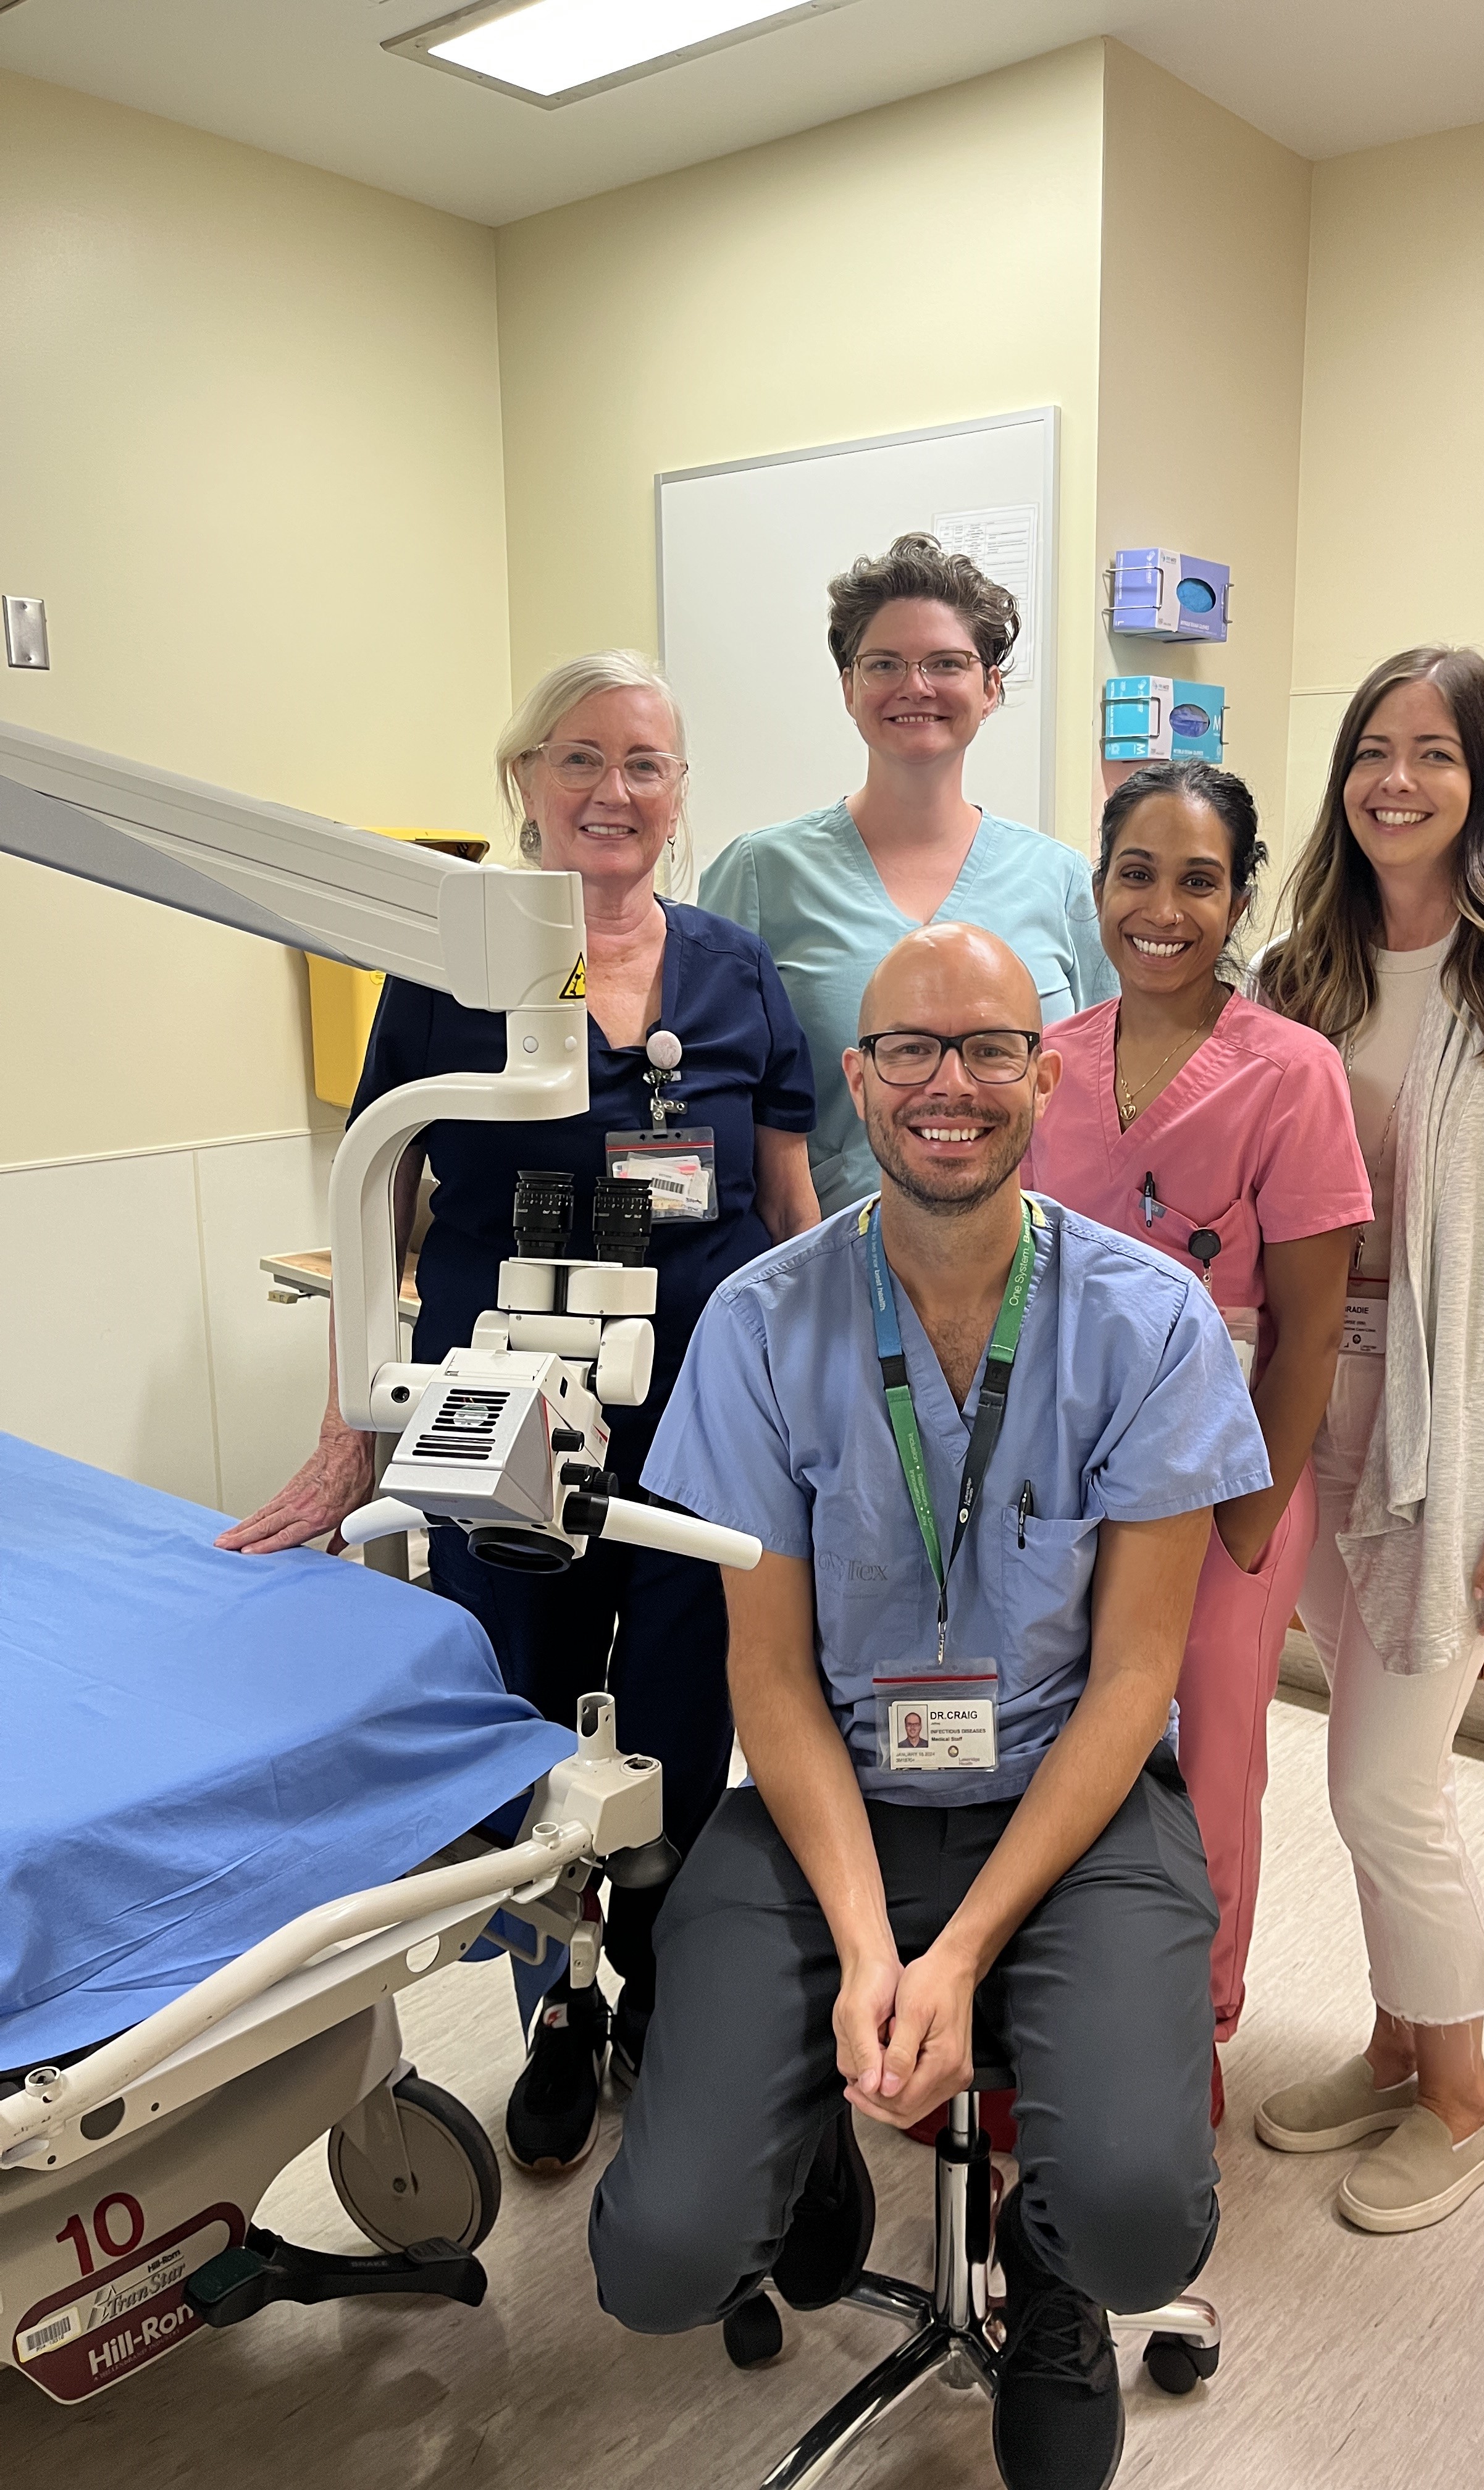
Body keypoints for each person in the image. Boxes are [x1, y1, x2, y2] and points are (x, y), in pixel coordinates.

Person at [590, 924, 1269, 2490]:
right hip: (835, 1798)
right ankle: (808, 2146)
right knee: (661, 2260)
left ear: (1048, 1075)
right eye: (909, 1049)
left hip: (1072, 1797)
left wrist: (952, 1956)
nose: (946, 1085)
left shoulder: (1149, 1325)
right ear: (856, 1077)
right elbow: (768, 1674)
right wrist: (868, 1950)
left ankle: (1048, 2283)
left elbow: (1133, 1680)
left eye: (987, 1049)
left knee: (1139, 2213)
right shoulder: (761, 1326)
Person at [217, 650, 818, 2173]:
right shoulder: (444, 973)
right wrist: (354, 1428)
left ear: (683, 797)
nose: (612, 791)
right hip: (497, 1416)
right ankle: (559, 1995)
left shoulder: (738, 973)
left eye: (646, 764)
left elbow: (795, 1221)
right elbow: (377, 1198)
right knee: (519, 1712)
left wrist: (820, 1431)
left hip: (699, 1422)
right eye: (579, 758)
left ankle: (660, 1990)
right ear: (525, 783)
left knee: (683, 1717)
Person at [1249, 645, 1484, 2233]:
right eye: (1371, 752)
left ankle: (1467, 2097)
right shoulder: (1300, 978)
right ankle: (1399, 2044)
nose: (1396, 780)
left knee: (1388, 1781)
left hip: (1445, 1430)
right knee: (1355, 1765)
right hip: (1306, 1406)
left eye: (1435, 754)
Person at [1024, 761, 1369, 2114]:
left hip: (1225, 1484)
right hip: (1062, 1480)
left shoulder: (1294, 1075)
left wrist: (1249, 1515)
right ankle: (1049, 2014)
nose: (1163, 907)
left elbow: (1310, 1325)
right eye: (1136, 874)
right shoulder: (1052, 1062)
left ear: (1239, 900)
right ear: (1099, 886)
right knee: (1059, 1734)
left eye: (1199, 880)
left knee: (1211, 1749)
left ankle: (1185, 2032)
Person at [701, 532, 1116, 1214]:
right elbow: (719, 1100)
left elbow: (1100, 1099)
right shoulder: (761, 875)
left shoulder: (1063, 881)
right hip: (824, 1265)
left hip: (1023, 1270)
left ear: (991, 689)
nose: (915, 687)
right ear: (848, 687)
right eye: (885, 663)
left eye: (947, 663)